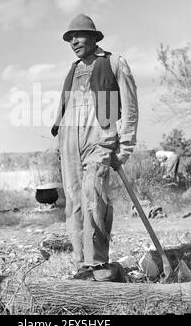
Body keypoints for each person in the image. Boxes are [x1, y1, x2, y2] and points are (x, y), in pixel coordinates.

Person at [51, 14, 138, 281]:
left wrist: (124, 148)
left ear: (93, 37)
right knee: (74, 203)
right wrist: (59, 142)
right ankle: (82, 266)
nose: (74, 41)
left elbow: (131, 109)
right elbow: (64, 108)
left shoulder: (113, 63)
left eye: (78, 35)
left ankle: (99, 264)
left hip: (99, 138)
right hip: (69, 141)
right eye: (70, 38)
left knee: (94, 197)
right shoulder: (73, 69)